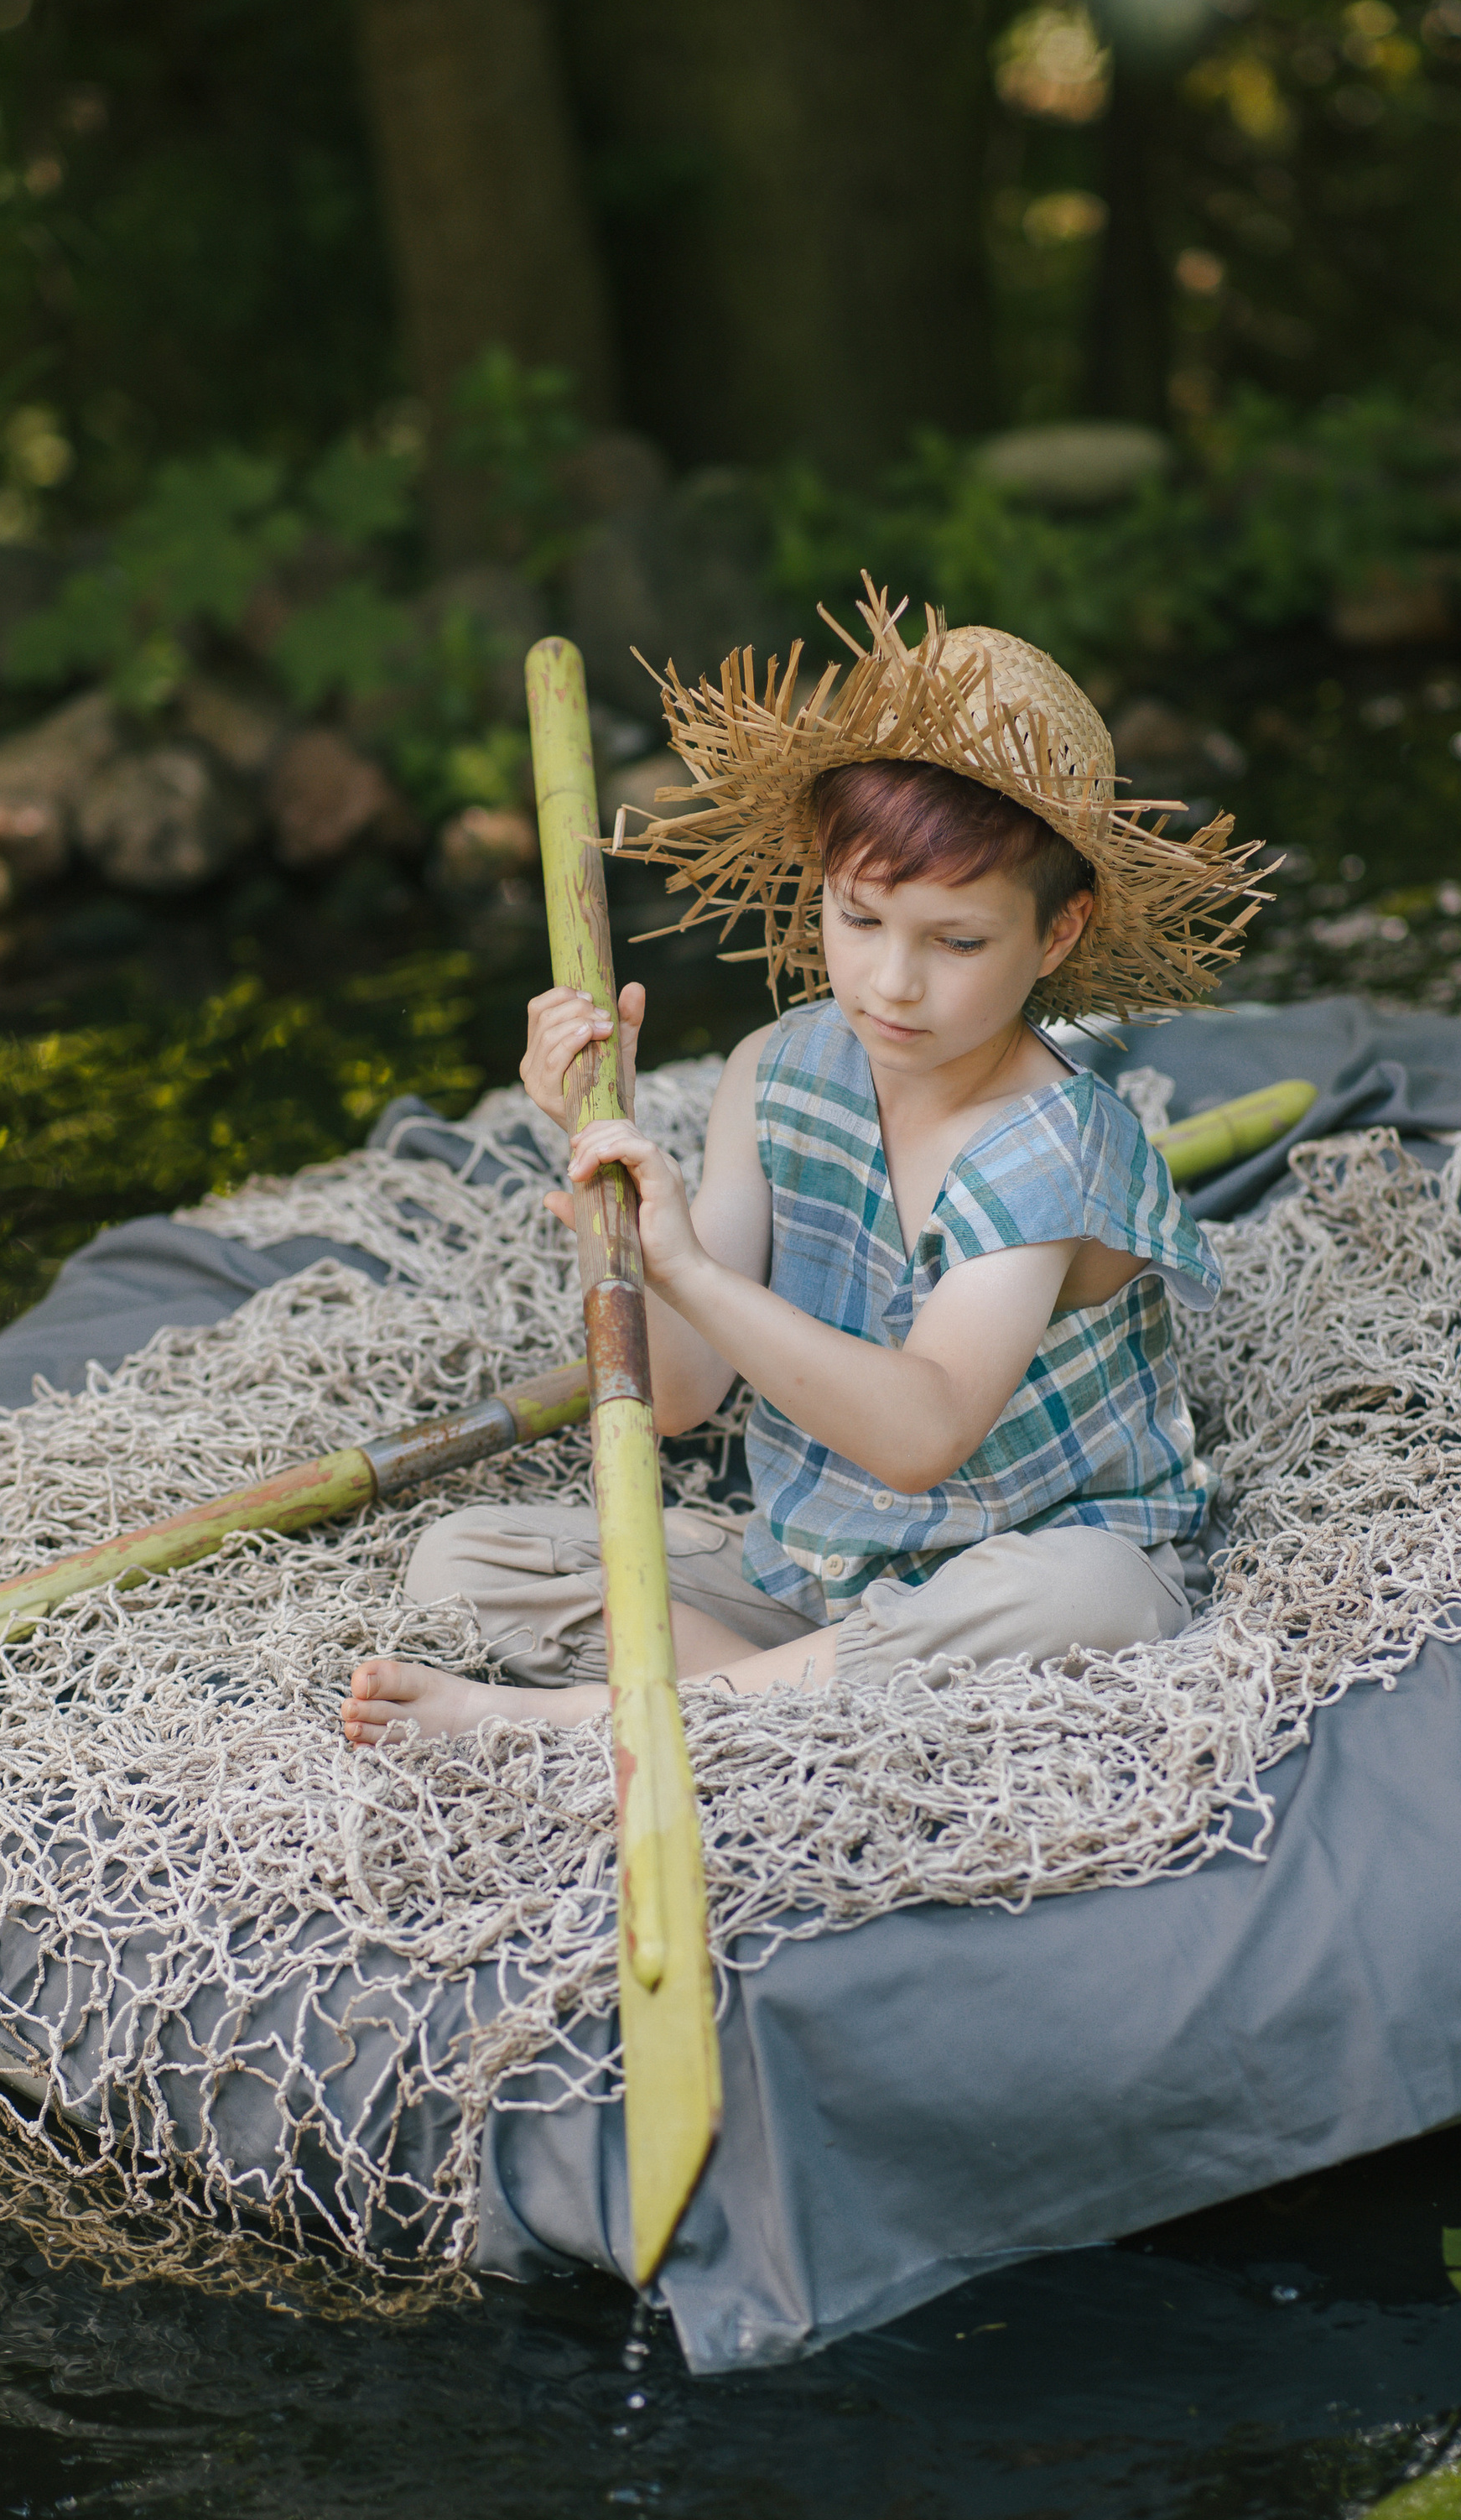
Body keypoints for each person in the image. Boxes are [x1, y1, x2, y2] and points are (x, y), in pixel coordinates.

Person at [342, 582, 1264, 1746]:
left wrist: (698, 1268)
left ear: (1061, 930)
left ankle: (594, 1724)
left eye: (958, 942)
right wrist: (601, 1160)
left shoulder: (1061, 1145)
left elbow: (922, 1436)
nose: (892, 982)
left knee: (1095, 1593)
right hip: (815, 1574)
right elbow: (678, 1397)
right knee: (470, 1560)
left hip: (1019, 1571)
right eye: (861, 917)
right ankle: (781, 1707)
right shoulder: (776, 1071)